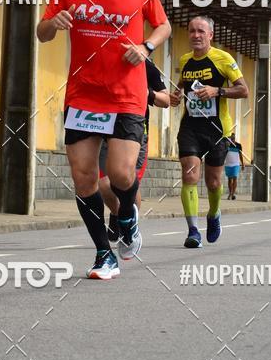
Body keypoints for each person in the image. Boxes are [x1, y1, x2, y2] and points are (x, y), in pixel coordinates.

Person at [36, 0, 171, 280]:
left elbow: (163, 26)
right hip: (83, 95)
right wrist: (53, 22)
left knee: (121, 173)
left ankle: (126, 215)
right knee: (83, 179)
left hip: (127, 93)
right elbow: (42, 32)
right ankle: (103, 254)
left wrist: (145, 47)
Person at [170, 16, 249, 248]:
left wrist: (217, 91)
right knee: (189, 175)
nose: (196, 35)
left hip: (217, 129)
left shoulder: (223, 58)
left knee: (213, 183)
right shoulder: (185, 60)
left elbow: (244, 90)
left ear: (210, 35)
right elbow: (182, 84)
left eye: (201, 31)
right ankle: (193, 230)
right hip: (191, 128)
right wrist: (176, 94)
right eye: (192, 31)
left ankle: (214, 214)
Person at [99, 57, 170, 242]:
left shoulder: (146, 65)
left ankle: (130, 227)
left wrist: (148, 93)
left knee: (127, 182)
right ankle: (117, 213)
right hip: (104, 129)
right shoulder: (104, 58)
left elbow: (166, 99)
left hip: (135, 133)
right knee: (104, 184)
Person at [224, 134, 244, 200]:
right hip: (228, 164)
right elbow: (223, 154)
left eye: (233, 138)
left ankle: (233, 193)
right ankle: (230, 193)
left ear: (235, 138)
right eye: (230, 138)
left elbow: (240, 155)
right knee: (230, 179)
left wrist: (242, 164)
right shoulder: (227, 145)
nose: (232, 139)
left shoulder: (238, 145)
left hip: (236, 164)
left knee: (235, 178)